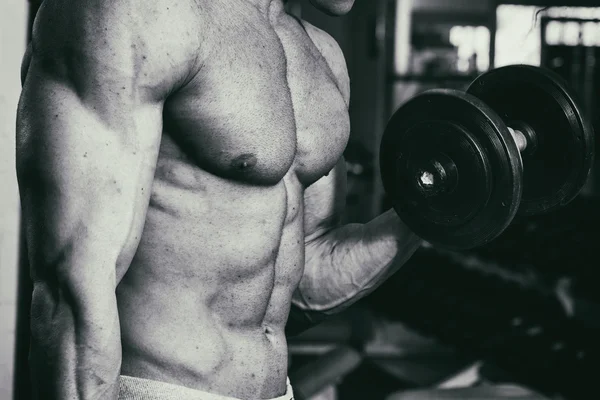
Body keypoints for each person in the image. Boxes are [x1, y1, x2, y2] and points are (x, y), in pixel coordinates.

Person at [16, 0, 544, 399]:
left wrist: (448, 206)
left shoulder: (320, 57)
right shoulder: (138, 12)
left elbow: (306, 283)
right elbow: (72, 291)